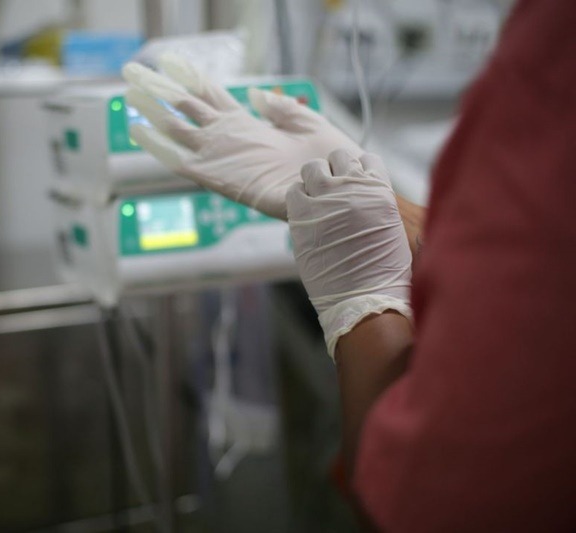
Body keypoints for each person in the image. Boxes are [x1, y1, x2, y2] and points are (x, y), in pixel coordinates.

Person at [122, 0, 576, 530]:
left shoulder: (551, 57)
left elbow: (422, 498)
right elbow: (531, 262)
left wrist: (362, 301)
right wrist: (390, 209)